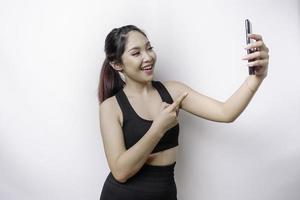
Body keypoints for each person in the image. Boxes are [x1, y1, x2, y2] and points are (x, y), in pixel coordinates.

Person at [98, 25, 269, 200]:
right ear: (117, 64)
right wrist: (158, 129)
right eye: (136, 53)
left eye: (149, 48)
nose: (148, 57)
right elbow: (120, 172)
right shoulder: (111, 107)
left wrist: (256, 78)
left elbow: (225, 113)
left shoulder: (173, 91)